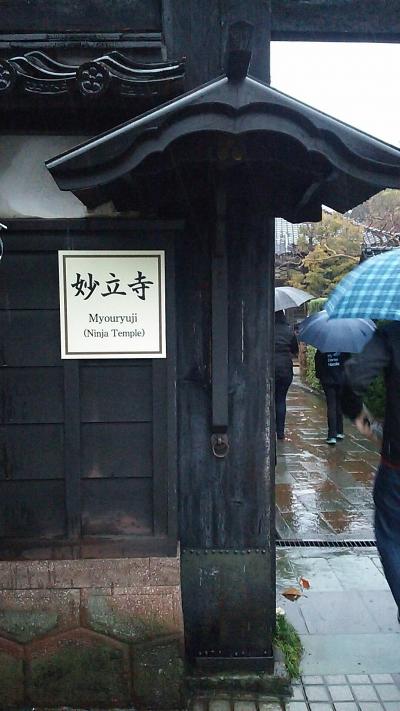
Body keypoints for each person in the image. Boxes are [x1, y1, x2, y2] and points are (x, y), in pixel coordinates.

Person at [341, 321, 400, 620]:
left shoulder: (392, 335)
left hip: (397, 461)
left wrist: (362, 419)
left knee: (391, 533)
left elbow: (353, 380)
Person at [274, 310, 298, 440]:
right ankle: (280, 432)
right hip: (285, 368)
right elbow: (295, 350)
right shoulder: (289, 331)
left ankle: (269, 428)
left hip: (270, 367)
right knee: (281, 399)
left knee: (270, 399)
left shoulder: (267, 329)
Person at [315, 350, 347, 445]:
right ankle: (339, 431)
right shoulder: (344, 348)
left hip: (328, 380)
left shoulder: (322, 349)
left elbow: (318, 364)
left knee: (331, 406)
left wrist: (320, 376)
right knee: (339, 404)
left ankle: (332, 435)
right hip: (341, 379)